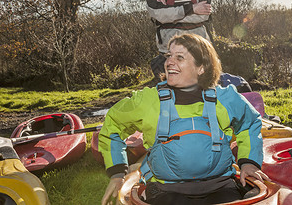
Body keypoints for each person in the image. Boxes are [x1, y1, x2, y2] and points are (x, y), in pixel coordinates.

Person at [99, 33, 269, 205]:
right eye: (168, 56)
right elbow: (113, 123)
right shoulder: (148, 101)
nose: (169, 62)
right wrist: (117, 173)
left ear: (201, 67)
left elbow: (250, 123)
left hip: (221, 187)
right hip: (165, 191)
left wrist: (249, 163)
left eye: (179, 57)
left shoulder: (225, 98)